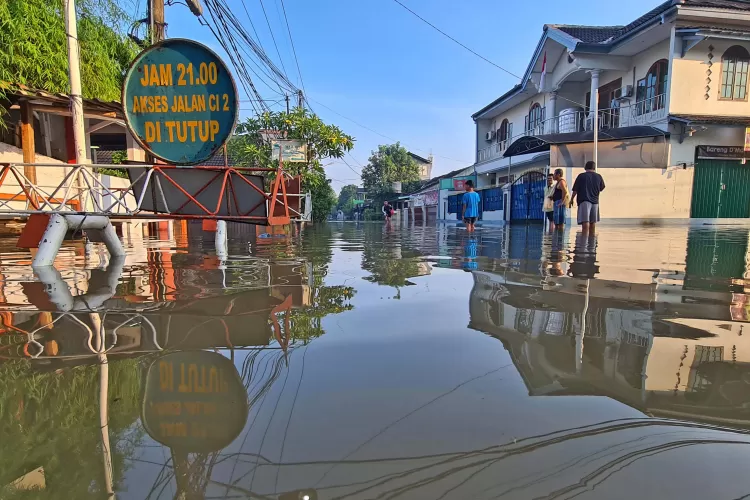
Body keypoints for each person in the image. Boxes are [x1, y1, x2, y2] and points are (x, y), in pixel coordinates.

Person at [570, 161, 606, 234]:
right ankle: (591, 242)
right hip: (595, 202)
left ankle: (584, 241)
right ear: (594, 168)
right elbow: (602, 187)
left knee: (585, 221)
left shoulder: (581, 176)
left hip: (584, 201)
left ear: (585, 167)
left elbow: (575, 190)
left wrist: (571, 199)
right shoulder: (599, 176)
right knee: (593, 222)